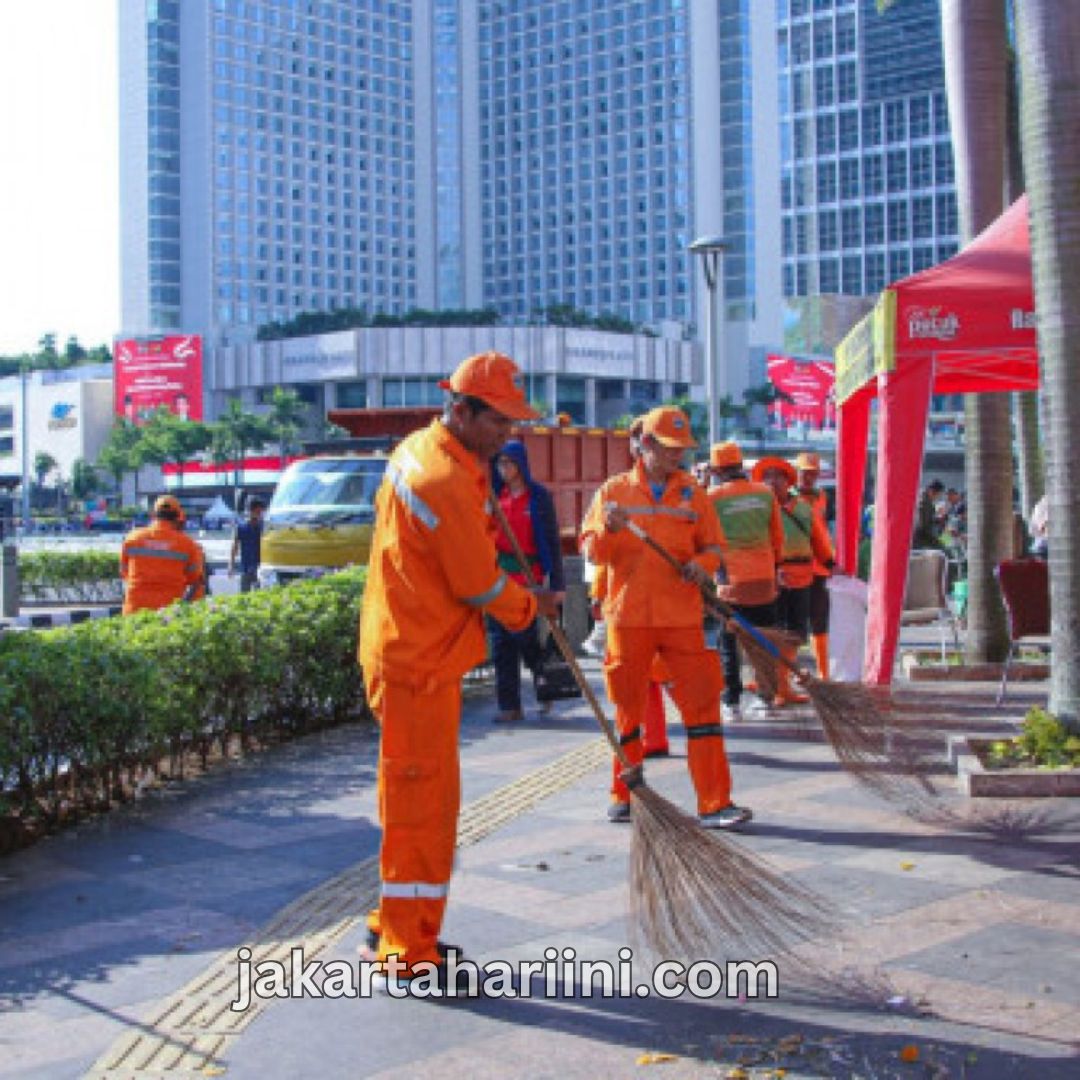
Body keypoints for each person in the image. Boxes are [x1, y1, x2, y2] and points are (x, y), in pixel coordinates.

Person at [357, 351, 559, 994]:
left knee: (408, 801)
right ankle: (408, 955)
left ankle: (392, 923)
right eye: (499, 421)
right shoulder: (444, 476)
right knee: (424, 811)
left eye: (514, 422)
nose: (510, 434)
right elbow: (476, 584)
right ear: (463, 409)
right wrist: (534, 606)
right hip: (418, 661)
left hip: (404, 646)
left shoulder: (421, 449)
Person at [581, 406, 752, 830]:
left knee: (702, 707)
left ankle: (715, 803)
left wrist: (702, 565)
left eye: (683, 448)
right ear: (647, 445)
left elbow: (714, 547)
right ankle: (624, 795)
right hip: (628, 618)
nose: (678, 455)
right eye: (670, 447)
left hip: (680, 617)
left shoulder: (693, 494)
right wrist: (608, 528)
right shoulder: (613, 492)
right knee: (628, 713)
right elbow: (591, 552)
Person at [489, 439, 566, 722]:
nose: (503, 469)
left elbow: (552, 543)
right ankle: (509, 706)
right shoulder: (496, 496)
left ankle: (546, 686)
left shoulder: (538, 498)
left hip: (528, 577)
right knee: (501, 643)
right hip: (499, 579)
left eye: (507, 463)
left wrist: (557, 585)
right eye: (499, 464)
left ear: (520, 466)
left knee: (525, 639)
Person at [707, 441, 783, 721]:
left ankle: (732, 702)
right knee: (764, 641)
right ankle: (765, 698)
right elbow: (777, 537)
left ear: (716, 469)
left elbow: (707, 538)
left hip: (731, 585)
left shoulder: (712, 497)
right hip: (764, 580)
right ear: (741, 465)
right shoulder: (765, 493)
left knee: (728, 643)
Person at [751, 457, 834, 707]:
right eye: (768, 477)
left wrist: (831, 564)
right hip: (770, 580)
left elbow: (819, 541)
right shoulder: (759, 509)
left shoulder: (803, 509)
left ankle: (782, 685)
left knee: (796, 634)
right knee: (772, 634)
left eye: (778, 476)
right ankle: (774, 685)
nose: (773, 481)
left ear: (788, 481)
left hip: (802, 578)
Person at [119, 495, 205, 614]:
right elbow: (196, 583)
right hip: (168, 615)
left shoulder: (133, 538)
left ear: (153, 515)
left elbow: (124, 572)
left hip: (134, 610)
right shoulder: (188, 545)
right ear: (178, 517)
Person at [794, 451, 832, 679]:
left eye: (813, 473)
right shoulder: (787, 497)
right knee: (793, 623)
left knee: (819, 619)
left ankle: (824, 673)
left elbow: (822, 529)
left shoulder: (821, 496)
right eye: (805, 473)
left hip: (819, 568)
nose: (808, 477)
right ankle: (787, 675)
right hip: (795, 568)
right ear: (797, 473)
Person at [229, 498, 266, 592]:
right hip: (245, 568)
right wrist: (231, 566)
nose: (260, 514)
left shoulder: (264, 527)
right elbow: (234, 547)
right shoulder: (240, 527)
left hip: (261, 568)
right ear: (250, 511)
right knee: (244, 596)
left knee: (260, 596)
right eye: (258, 511)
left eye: (261, 512)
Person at [913, 479, 945, 549]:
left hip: (922, 536)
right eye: (939, 495)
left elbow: (929, 520)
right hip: (921, 538)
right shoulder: (925, 503)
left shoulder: (925, 499)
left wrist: (938, 519)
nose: (938, 498)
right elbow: (925, 527)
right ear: (932, 492)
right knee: (947, 546)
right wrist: (945, 540)